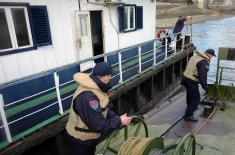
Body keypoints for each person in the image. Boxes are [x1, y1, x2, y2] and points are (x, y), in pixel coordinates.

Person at [65, 62, 132, 155]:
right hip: (80, 141)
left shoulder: (95, 86)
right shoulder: (88, 97)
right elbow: (98, 125)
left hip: (87, 138)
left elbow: (104, 109)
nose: (110, 77)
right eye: (110, 75)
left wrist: (116, 118)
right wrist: (119, 121)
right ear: (105, 77)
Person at [181, 49, 216, 122]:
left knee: (190, 94)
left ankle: (189, 107)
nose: (211, 57)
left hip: (185, 78)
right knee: (196, 99)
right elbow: (202, 77)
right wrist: (205, 88)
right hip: (191, 81)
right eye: (212, 56)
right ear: (209, 54)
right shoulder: (203, 62)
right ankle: (189, 115)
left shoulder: (195, 57)